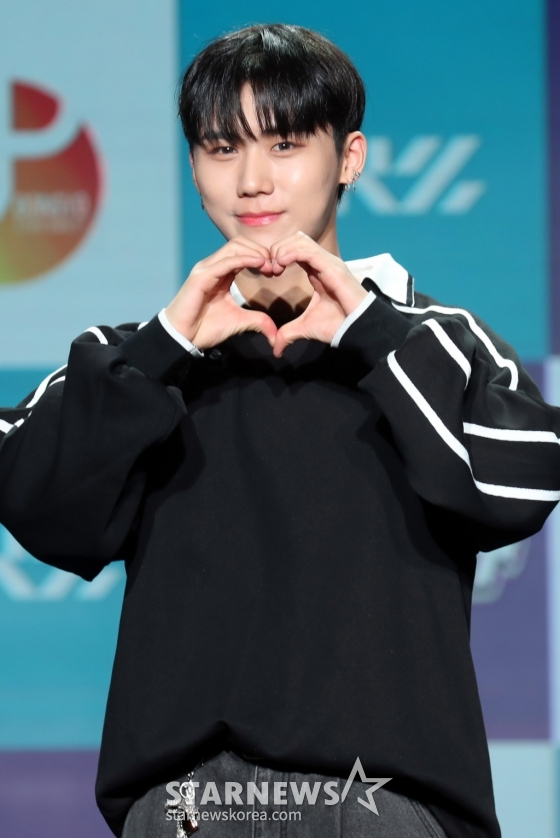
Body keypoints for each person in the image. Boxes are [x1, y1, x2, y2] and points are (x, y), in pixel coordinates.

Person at [0, 22, 558, 838]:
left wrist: (370, 334)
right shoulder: (136, 359)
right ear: (194, 168)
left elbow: (520, 485)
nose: (253, 180)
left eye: (286, 144)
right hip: (187, 810)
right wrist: (165, 349)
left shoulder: (438, 341)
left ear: (351, 158)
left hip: (384, 803)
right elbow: (32, 497)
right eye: (222, 148)